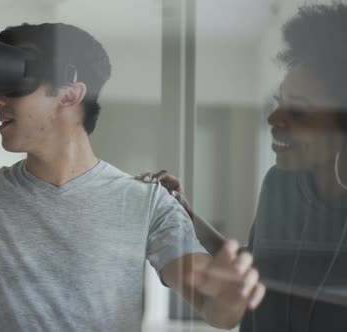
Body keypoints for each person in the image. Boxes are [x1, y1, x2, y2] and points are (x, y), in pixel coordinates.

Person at [0, 23, 264, 331]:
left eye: (13, 82)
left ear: (70, 93)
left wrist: (227, 293)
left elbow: (215, 304)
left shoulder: (148, 203)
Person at [141, 4, 347, 331]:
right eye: (280, 102)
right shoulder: (279, 183)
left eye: (300, 111)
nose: (274, 119)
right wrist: (187, 216)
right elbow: (255, 264)